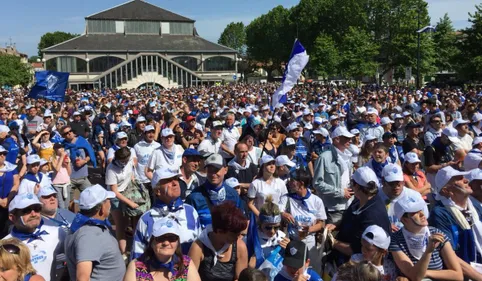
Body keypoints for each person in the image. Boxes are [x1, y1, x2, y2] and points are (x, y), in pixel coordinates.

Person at [390, 193, 463, 281]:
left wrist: (426, 272)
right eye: (415, 212)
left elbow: (458, 275)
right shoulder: (395, 240)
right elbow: (415, 277)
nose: (422, 214)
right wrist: (428, 251)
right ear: (404, 219)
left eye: (421, 209)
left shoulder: (436, 233)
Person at [131, 167, 201, 259]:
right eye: (168, 180)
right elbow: (137, 256)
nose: (175, 183)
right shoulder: (146, 219)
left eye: (176, 179)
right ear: (157, 191)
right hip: (156, 272)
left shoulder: (191, 212)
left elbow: (200, 247)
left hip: (189, 271)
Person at [429, 166, 482, 280]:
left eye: (463, 177)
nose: (466, 180)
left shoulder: (474, 205)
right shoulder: (440, 214)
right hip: (467, 273)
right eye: (458, 178)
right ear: (446, 190)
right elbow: (450, 256)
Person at [65, 184, 126, 281]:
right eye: (108, 200)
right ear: (101, 208)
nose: (110, 203)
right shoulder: (89, 236)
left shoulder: (86, 227)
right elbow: (82, 278)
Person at [4, 193, 67, 281]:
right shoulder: (5, 246)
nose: (33, 214)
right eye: (26, 211)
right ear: (12, 217)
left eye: (37, 209)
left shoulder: (57, 232)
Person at [332, 167, 391, 261]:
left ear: (358, 187)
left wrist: (332, 242)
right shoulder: (359, 200)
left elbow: (356, 250)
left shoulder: (371, 216)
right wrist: (336, 225)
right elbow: (349, 218)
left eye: (353, 183)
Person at [125, 217, 201, 281]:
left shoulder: (186, 264)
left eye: (172, 238)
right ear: (152, 242)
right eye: (160, 238)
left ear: (177, 242)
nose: (166, 243)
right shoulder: (136, 266)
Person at [280, 169, 325, 274]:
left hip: (309, 241)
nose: (289, 182)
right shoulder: (286, 198)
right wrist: (283, 214)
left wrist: (309, 229)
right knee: (292, 271)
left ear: (301, 183)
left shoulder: (316, 200)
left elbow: (321, 223)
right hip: (292, 241)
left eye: (292, 180)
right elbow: (278, 210)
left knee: (311, 271)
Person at [189, 201, 248, 281]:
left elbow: (241, 279)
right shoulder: (198, 248)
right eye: (233, 235)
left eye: (239, 234)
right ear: (219, 231)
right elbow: (190, 278)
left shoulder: (240, 247)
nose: (237, 238)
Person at [185, 154, 243, 228]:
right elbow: (189, 226)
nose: (213, 174)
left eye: (216, 170)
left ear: (225, 170)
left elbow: (240, 221)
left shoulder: (233, 194)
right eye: (210, 170)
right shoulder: (194, 197)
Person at [313, 127, 354, 225]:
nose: (350, 140)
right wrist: (340, 192)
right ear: (337, 139)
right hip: (333, 208)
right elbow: (317, 183)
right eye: (346, 138)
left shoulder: (348, 157)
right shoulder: (324, 157)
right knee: (333, 238)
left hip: (349, 205)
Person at [106, 147, 139, 260]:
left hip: (129, 192)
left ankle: (136, 249)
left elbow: (131, 173)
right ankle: (123, 253)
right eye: (122, 161)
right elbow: (114, 191)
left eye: (126, 160)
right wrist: (130, 203)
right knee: (121, 226)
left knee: (134, 223)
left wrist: (134, 183)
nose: (124, 163)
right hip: (117, 197)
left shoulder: (129, 161)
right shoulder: (111, 169)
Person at [332, 225, 397, 281]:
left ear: (383, 252)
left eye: (368, 249)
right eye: (362, 245)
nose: (363, 250)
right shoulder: (356, 260)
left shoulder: (390, 267)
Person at [379, 163, 426, 231]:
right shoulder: (373, 197)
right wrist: (382, 225)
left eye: (399, 182)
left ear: (403, 181)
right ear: (383, 181)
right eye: (391, 183)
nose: (396, 186)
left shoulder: (415, 196)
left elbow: (423, 223)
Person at [248, 196, 290, 270]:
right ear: (260, 224)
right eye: (268, 227)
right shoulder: (252, 238)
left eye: (276, 227)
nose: (272, 231)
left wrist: (290, 249)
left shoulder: (282, 237)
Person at [133, 124, 161, 200]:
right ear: (144, 134)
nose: (151, 135)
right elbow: (134, 163)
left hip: (154, 179)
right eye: (148, 133)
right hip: (141, 179)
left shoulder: (158, 146)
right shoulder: (137, 146)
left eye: (152, 132)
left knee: (155, 200)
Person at [0, 146, 19, 238]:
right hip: (1, 203)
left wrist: (8, 199)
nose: (2, 156)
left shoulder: (11, 167)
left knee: (8, 227)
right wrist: (1, 201)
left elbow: (16, 183)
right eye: (0, 154)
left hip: (9, 203)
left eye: (4, 154)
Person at [50, 143, 71, 209]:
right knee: (61, 206)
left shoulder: (66, 157)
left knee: (66, 205)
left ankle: (66, 218)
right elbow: (57, 169)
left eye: (63, 147)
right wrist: (61, 157)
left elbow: (69, 173)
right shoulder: (52, 158)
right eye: (60, 148)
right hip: (57, 185)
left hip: (67, 184)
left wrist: (68, 164)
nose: (62, 149)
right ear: (55, 149)